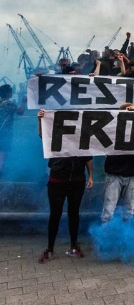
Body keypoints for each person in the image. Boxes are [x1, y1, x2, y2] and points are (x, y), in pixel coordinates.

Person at [37, 109, 93, 262]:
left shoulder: (81, 138)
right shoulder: (56, 136)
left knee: (74, 214)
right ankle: (50, 248)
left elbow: (88, 158)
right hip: (57, 181)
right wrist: (40, 120)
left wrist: (91, 177)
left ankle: (74, 246)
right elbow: (43, 136)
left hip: (77, 181)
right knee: (55, 215)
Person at [100, 102, 134, 223]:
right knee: (109, 210)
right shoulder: (113, 127)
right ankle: (105, 239)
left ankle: (126, 238)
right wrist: (126, 113)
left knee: (129, 212)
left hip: (131, 174)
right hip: (114, 174)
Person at [0, 83, 26, 177]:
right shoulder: (9, 104)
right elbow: (21, 112)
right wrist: (23, 101)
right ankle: (1, 173)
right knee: (3, 153)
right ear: (8, 93)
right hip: (5, 132)